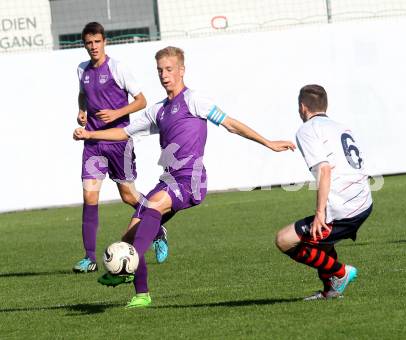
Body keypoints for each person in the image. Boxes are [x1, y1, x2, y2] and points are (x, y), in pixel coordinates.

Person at [73, 46, 295, 308]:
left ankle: (130, 264)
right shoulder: (158, 111)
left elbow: (231, 124)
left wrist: (268, 143)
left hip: (191, 179)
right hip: (167, 180)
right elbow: (124, 132)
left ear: (181, 70)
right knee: (128, 238)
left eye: (169, 69)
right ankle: (141, 293)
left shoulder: (194, 101)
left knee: (152, 208)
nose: (164, 75)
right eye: (160, 70)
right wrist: (90, 135)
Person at [73, 22, 168, 273]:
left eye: (97, 42)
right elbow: (83, 94)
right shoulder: (82, 69)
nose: (93, 47)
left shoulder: (117, 68)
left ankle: (157, 228)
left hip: (118, 143)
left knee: (128, 195)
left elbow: (141, 101)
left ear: (104, 42)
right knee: (89, 196)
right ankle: (89, 258)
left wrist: (117, 112)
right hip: (92, 143)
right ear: (84, 45)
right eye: (88, 43)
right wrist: (82, 112)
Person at [275, 84, 373, 300]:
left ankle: (340, 272)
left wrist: (321, 213)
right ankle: (331, 290)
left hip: (344, 208)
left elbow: (325, 170)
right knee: (323, 241)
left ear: (302, 107)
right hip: (363, 201)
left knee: (284, 240)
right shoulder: (341, 127)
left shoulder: (307, 130)